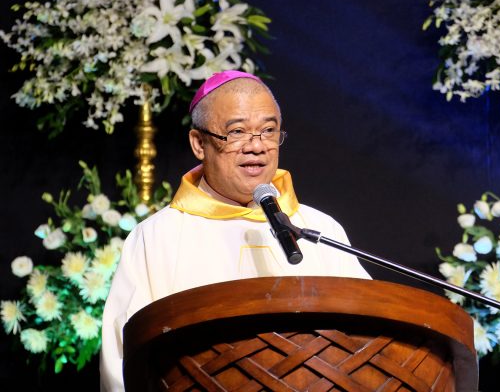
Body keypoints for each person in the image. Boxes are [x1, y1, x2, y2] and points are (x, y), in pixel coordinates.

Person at [99, 70, 370, 391]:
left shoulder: (320, 229)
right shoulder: (157, 238)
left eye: (268, 131)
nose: (257, 147)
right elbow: (123, 359)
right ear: (199, 143)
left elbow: (366, 340)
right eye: (237, 131)